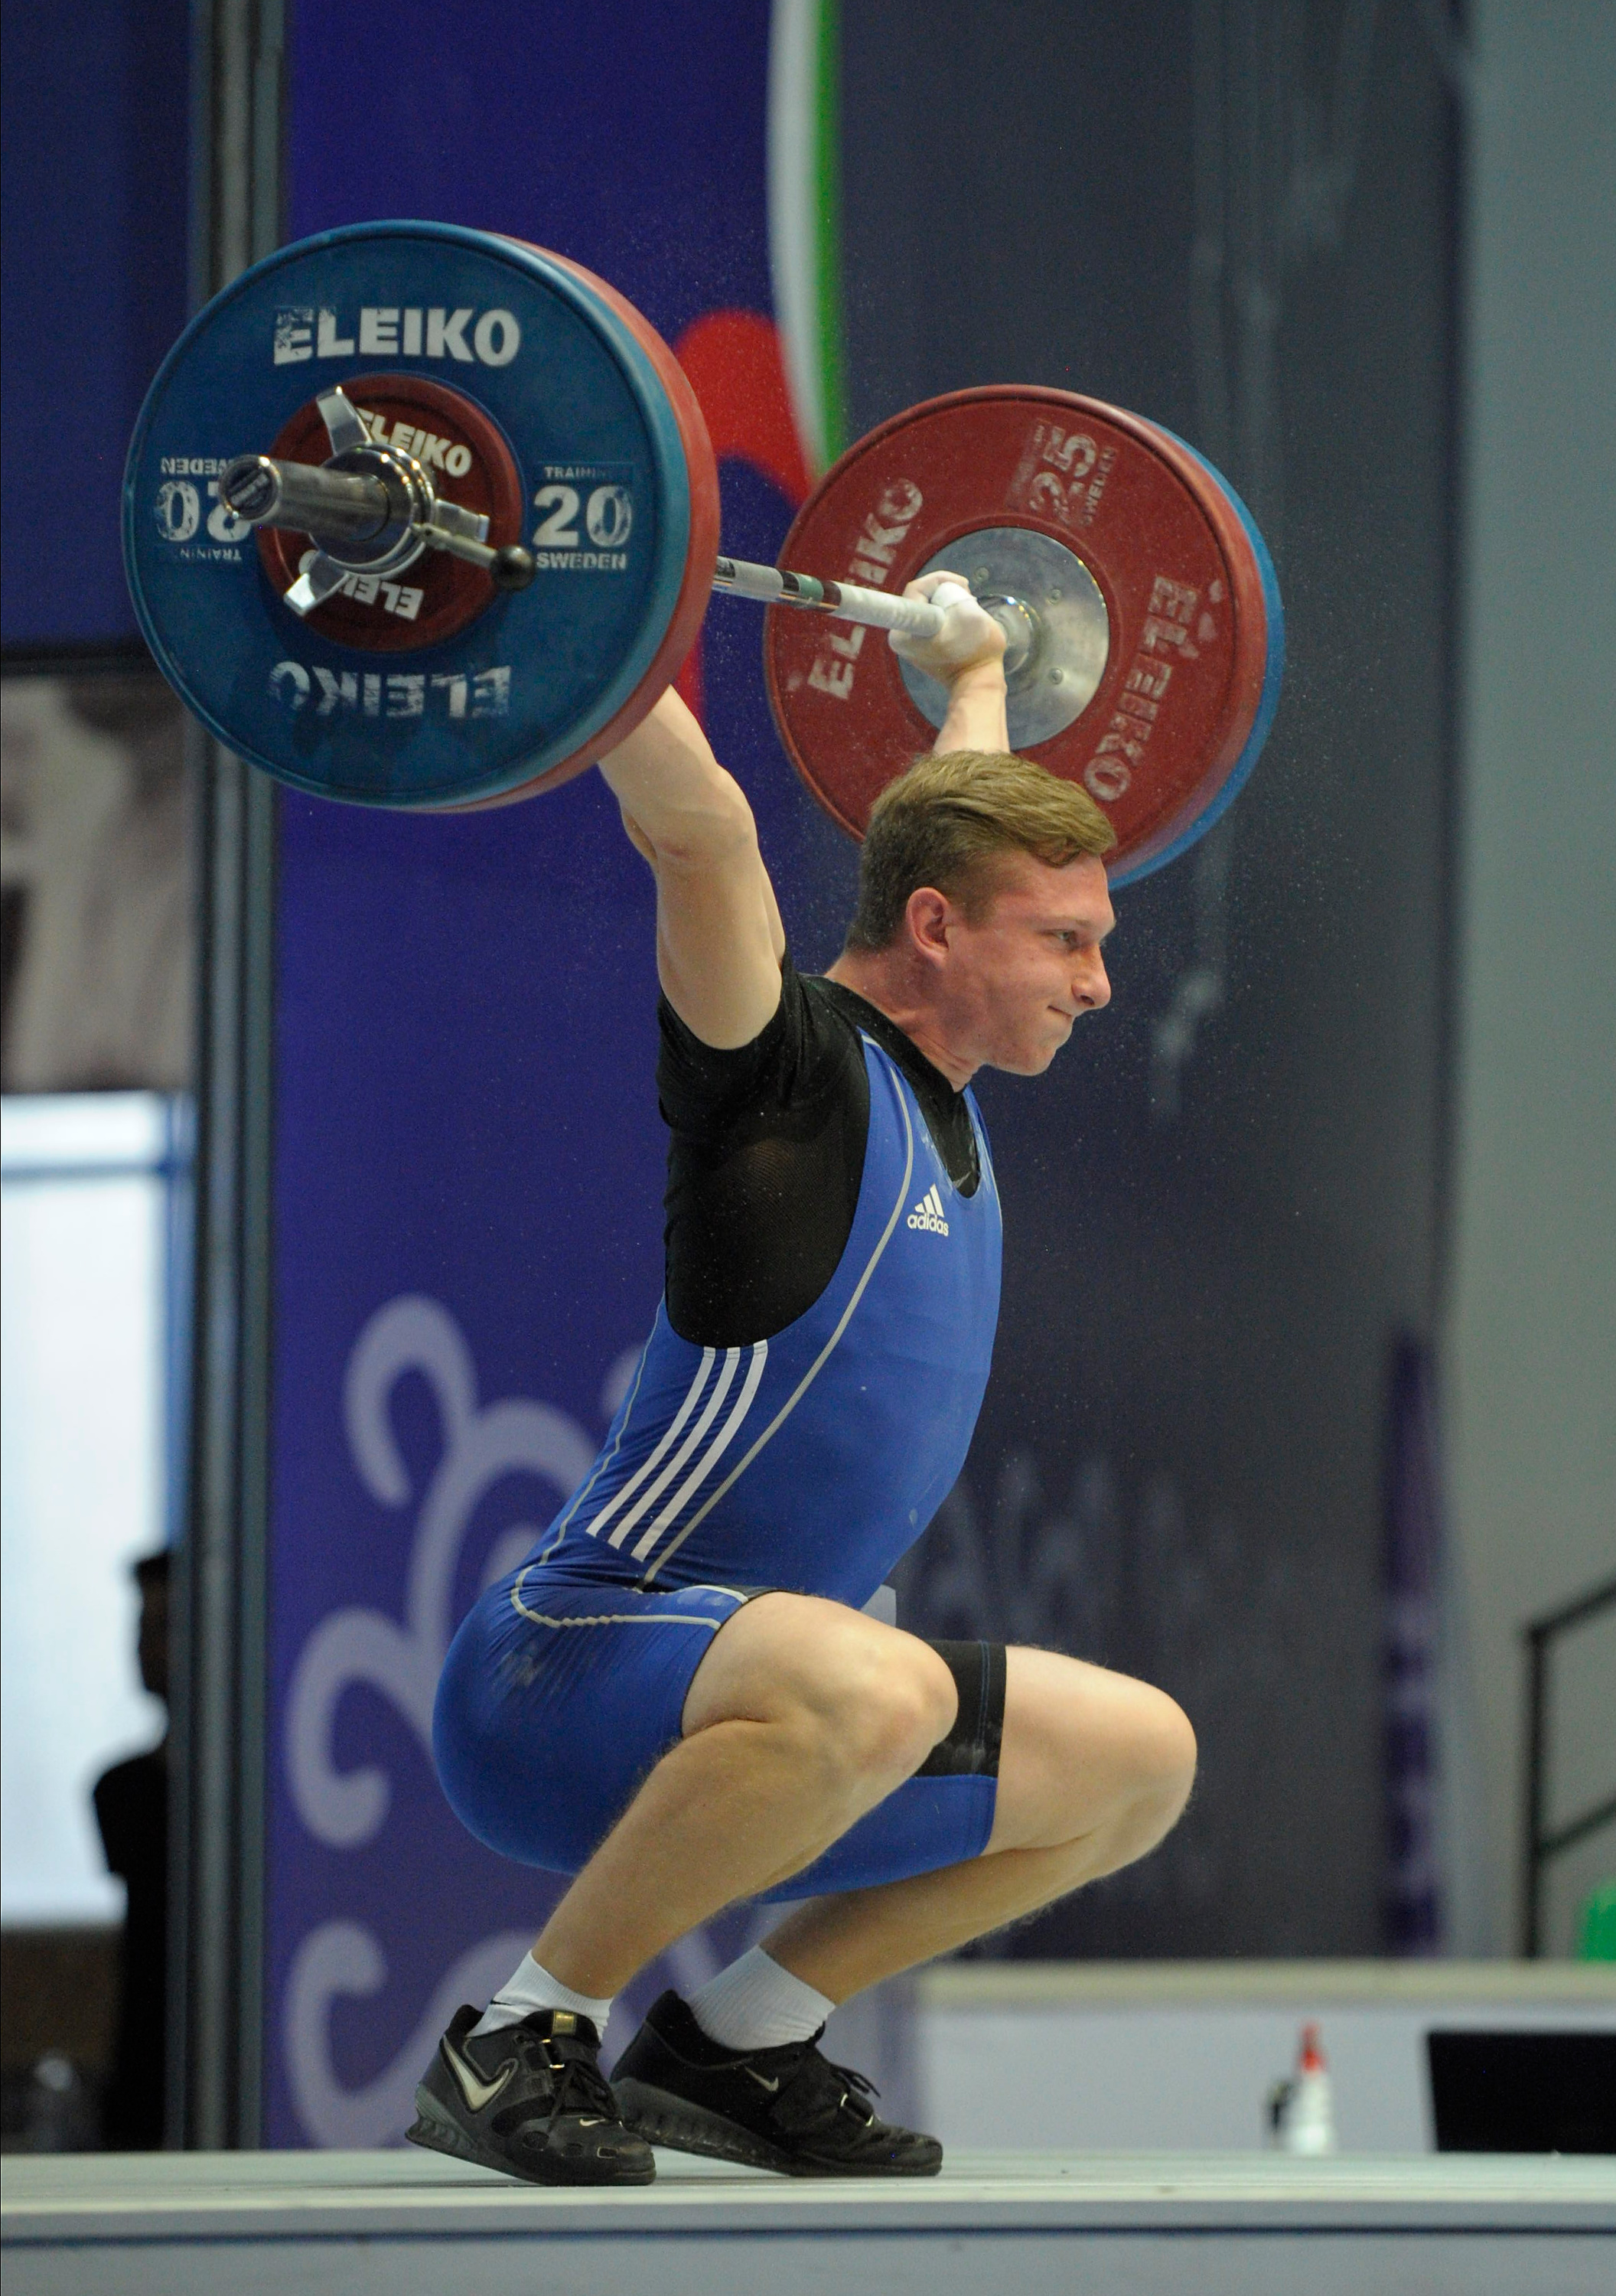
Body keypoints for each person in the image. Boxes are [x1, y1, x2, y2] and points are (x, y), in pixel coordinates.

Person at [411, 577, 1198, 2186]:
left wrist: (977, 669)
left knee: (1138, 1763)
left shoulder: (945, 1086)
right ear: (939, 932)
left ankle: (742, 2041)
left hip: (774, 1714)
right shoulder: (783, 1080)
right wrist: (584, 603)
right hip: (563, 1679)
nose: (1096, 982)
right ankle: (522, 2035)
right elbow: (698, 831)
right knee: (874, 1681)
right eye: (1067, 942)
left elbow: (947, 827)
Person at [93, 1549, 171, 2150]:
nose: (143, 1648)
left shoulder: (250, 1812)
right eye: (142, 1628)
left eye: (162, 1627)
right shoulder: (124, 1791)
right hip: (144, 2081)